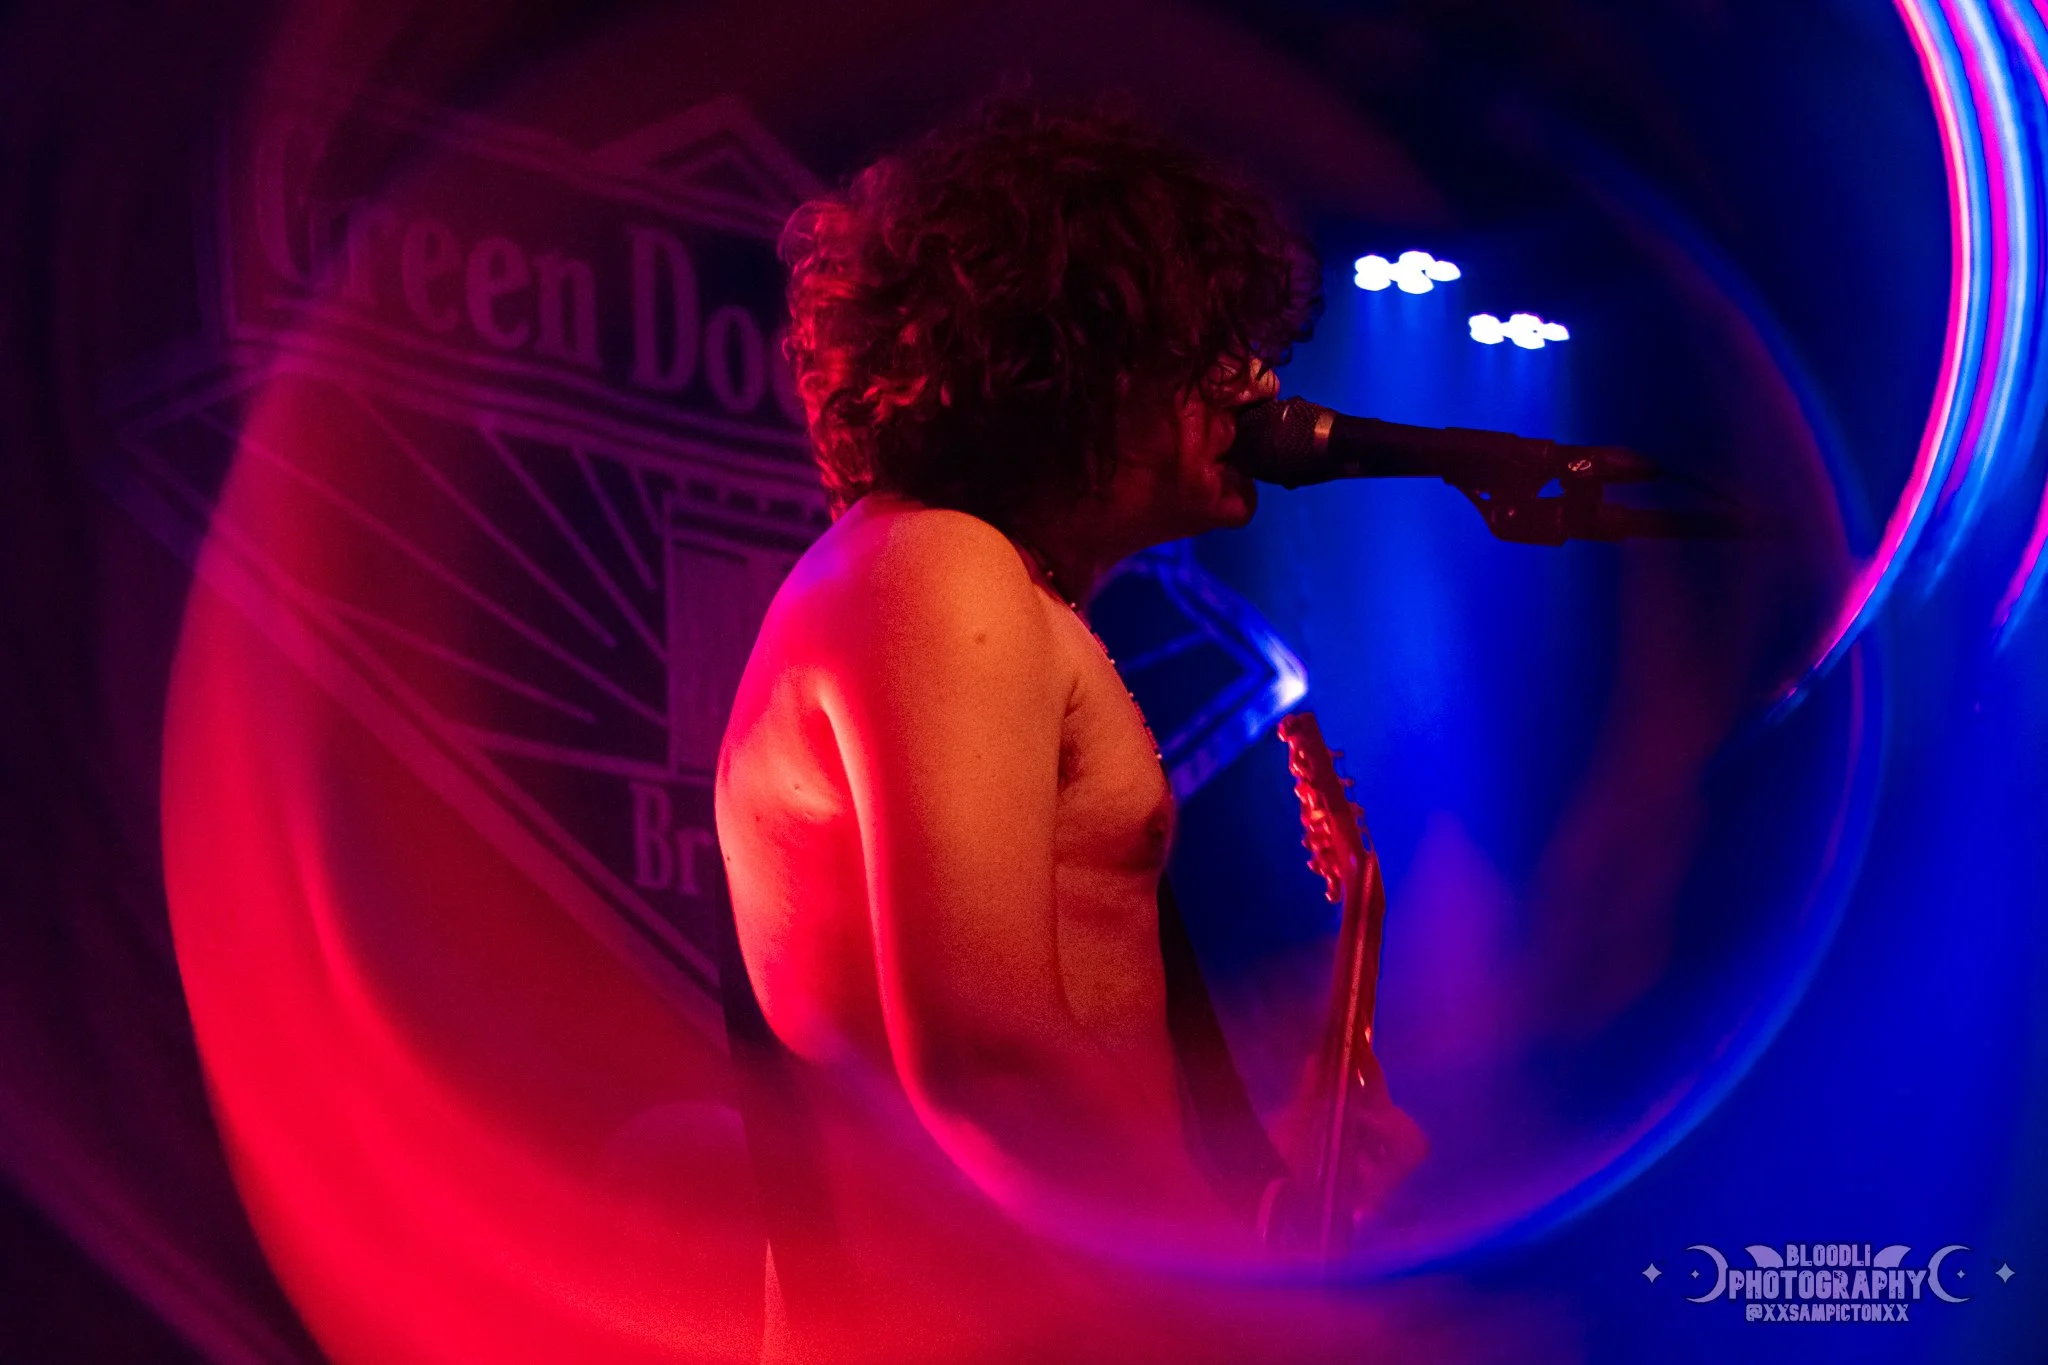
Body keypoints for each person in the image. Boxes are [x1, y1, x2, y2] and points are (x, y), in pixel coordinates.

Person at [713, 94, 1424, 1362]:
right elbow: (994, 1059)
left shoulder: (965, 591)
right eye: (1209, 341)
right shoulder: (933, 570)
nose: (1258, 385)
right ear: (1083, 350)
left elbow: (1061, 1060)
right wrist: (1227, 1311)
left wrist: (1266, 1194)